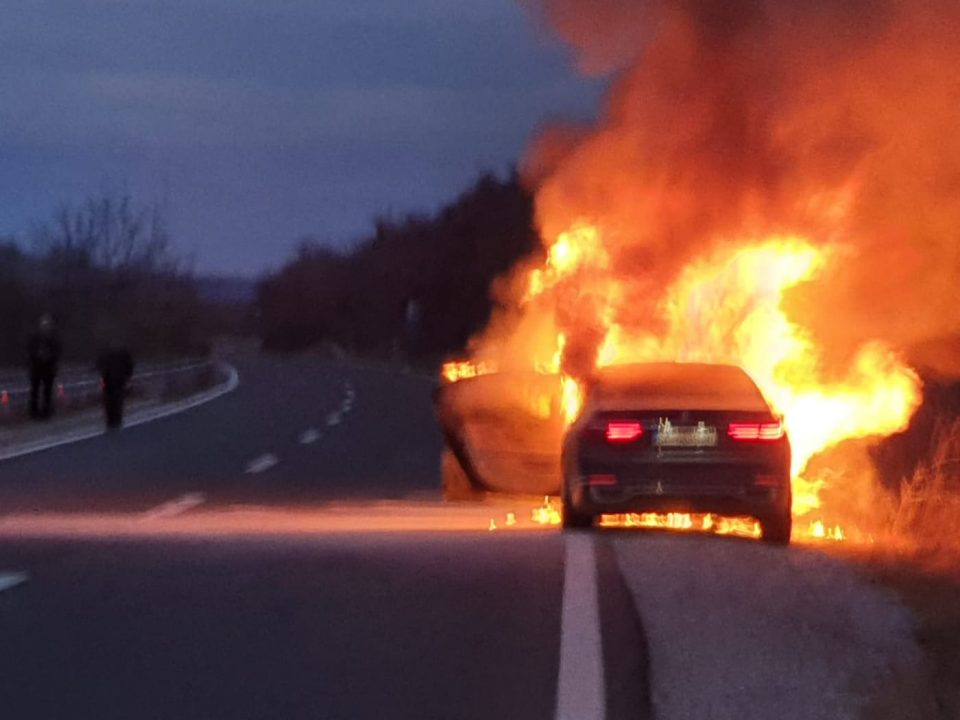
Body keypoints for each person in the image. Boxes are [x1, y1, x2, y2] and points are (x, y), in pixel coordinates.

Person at [26, 314, 62, 419]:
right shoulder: (35, 337)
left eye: (47, 325)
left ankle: (46, 412)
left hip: (48, 368)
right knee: (35, 391)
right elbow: (30, 350)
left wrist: (50, 357)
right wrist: (36, 356)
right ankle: (34, 412)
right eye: (44, 325)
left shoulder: (53, 338)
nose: (45, 327)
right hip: (37, 367)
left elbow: (57, 352)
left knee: (47, 391)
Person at [96, 345, 134, 429]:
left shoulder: (105, 352)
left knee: (109, 399)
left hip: (108, 379)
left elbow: (99, 365)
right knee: (117, 399)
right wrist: (128, 376)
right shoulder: (123, 353)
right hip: (118, 379)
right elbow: (129, 366)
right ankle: (116, 418)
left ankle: (111, 419)